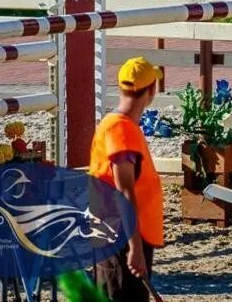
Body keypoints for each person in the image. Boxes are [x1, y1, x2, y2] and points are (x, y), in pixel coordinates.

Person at [89, 57, 165, 302]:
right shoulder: (121, 130)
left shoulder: (117, 125)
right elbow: (125, 192)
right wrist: (135, 248)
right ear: (151, 90)